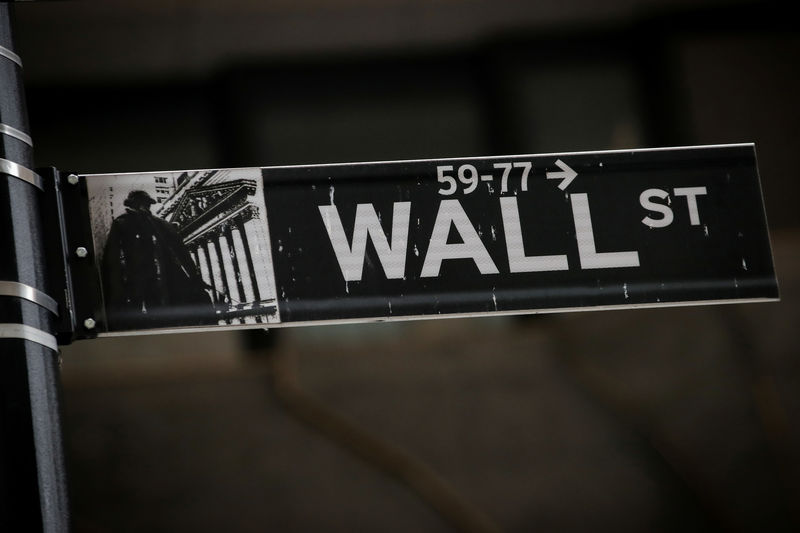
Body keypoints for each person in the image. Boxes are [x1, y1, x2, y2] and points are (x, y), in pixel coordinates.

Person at [101, 190, 216, 330]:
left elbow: (182, 253)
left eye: (147, 205)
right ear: (133, 204)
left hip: (169, 281)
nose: (145, 208)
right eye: (142, 204)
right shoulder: (121, 223)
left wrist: (196, 278)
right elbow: (112, 258)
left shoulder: (161, 224)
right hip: (140, 283)